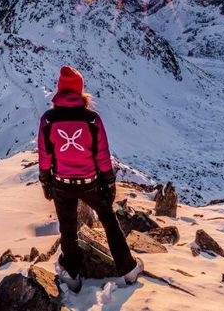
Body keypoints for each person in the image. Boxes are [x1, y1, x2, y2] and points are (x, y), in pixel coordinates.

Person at [37, 65, 143, 293]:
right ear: (80, 91)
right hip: (90, 182)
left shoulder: (48, 120)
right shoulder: (92, 120)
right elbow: (102, 154)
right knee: (108, 219)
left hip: (61, 182)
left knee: (67, 228)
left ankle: (72, 275)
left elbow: (45, 154)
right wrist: (109, 181)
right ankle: (128, 268)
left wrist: (45, 180)